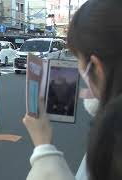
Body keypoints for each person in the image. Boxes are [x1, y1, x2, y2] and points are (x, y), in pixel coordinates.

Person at [23, 1, 122, 180]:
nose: (78, 67)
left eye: (79, 59)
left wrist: (43, 146)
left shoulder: (112, 142)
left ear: (97, 68)